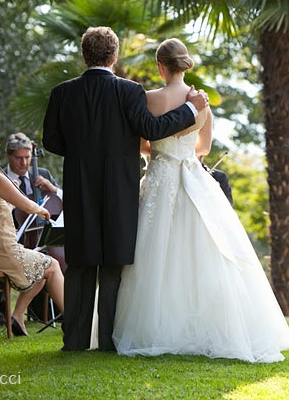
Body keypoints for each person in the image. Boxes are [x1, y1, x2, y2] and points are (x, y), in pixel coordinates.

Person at [112, 38, 289, 363]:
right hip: (192, 177)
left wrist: (160, 151)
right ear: (184, 65)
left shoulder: (149, 98)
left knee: (154, 254)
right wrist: (183, 148)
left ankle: (154, 327)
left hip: (158, 178)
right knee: (202, 252)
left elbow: (144, 142)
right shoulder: (202, 104)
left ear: (160, 66)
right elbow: (204, 148)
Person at [42, 26, 209, 352]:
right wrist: (190, 109)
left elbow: (52, 141)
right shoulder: (129, 92)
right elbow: (152, 128)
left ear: (84, 54)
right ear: (115, 56)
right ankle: (108, 341)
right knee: (113, 264)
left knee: (80, 265)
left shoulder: (62, 92)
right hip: (120, 187)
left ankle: (74, 342)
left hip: (79, 187)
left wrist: (81, 154)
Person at [0, 134, 65, 337]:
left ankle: (17, 317)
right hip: (3, 252)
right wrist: (40, 210)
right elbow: (25, 204)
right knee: (52, 265)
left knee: (41, 270)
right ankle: (73, 319)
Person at [0, 132, 64, 327]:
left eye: (27, 158)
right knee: (8, 252)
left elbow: (63, 201)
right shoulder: (0, 177)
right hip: (14, 237)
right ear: (8, 156)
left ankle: (59, 305)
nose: (24, 163)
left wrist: (54, 190)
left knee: (60, 256)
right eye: (19, 158)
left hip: (42, 236)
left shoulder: (42, 174)